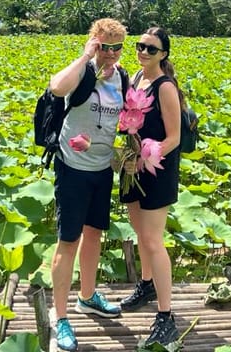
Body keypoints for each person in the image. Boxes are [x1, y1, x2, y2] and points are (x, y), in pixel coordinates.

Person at [48, 18, 128, 352]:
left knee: (94, 234)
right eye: (103, 46)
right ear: (93, 42)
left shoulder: (123, 77)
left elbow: (132, 114)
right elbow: (56, 87)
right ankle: (61, 317)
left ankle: (87, 296)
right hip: (73, 167)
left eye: (116, 47)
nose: (109, 53)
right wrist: (85, 58)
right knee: (69, 241)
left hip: (101, 169)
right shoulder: (83, 71)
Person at [119, 26, 182, 346]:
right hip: (132, 166)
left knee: (153, 240)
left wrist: (146, 158)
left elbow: (174, 138)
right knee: (139, 232)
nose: (143, 52)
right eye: (140, 46)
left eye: (151, 49)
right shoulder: (134, 78)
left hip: (156, 168)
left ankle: (166, 315)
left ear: (164, 55)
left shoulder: (165, 86)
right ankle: (146, 284)